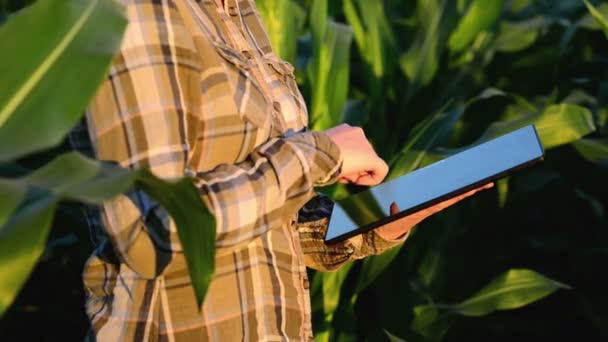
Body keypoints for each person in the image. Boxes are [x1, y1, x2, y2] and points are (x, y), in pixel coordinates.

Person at [74, 0, 491, 340]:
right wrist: (318, 154)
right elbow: (152, 232)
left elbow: (271, 222)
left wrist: (382, 218)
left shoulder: (237, 12)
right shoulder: (137, 13)